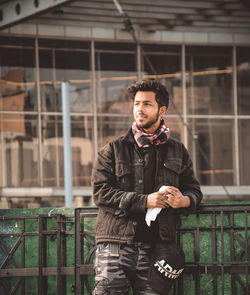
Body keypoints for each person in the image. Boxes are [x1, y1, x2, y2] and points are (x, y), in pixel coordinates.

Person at [91, 79, 203, 295]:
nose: (139, 109)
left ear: (161, 110)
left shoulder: (178, 151)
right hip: (115, 246)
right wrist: (145, 201)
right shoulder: (113, 150)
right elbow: (100, 193)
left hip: (157, 250)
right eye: (136, 103)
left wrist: (184, 200)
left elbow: (194, 191)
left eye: (147, 104)